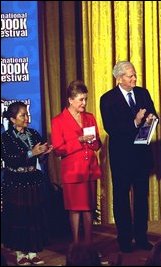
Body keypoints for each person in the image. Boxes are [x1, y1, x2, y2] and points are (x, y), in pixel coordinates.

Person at [100, 61, 157, 252]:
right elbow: (112, 128)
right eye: (130, 76)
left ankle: (141, 237)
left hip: (141, 155)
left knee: (141, 197)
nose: (134, 78)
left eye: (134, 75)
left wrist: (150, 119)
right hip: (121, 157)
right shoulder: (107, 99)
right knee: (121, 197)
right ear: (119, 78)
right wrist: (135, 121)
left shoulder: (143, 93)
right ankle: (124, 239)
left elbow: (153, 113)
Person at [1, 101, 53, 265]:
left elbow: (40, 158)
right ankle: (19, 253)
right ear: (12, 119)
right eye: (22, 115)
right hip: (16, 182)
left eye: (27, 114)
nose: (26, 118)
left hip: (33, 181)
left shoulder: (34, 133)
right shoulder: (5, 138)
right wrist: (32, 152)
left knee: (33, 216)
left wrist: (45, 153)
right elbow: (10, 159)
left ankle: (33, 251)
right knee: (19, 217)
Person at [51, 80, 102, 245]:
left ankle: (88, 246)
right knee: (75, 209)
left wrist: (94, 141)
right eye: (81, 99)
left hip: (90, 169)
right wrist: (79, 140)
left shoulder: (90, 117)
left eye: (85, 99)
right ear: (70, 100)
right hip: (73, 172)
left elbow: (97, 145)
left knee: (89, 209)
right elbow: (58, 149)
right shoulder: (58, 121)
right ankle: (76, 246)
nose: (84, 103)